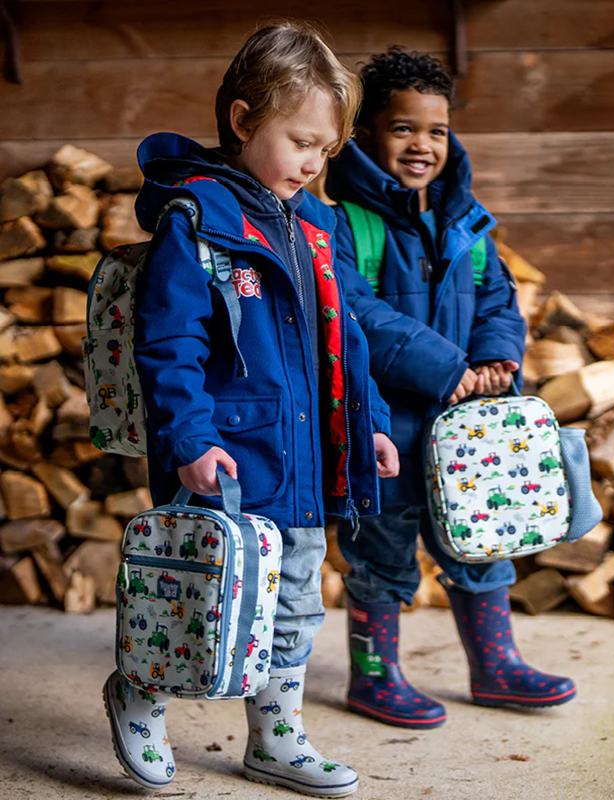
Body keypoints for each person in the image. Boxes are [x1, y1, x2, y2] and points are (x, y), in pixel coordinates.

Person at [102, 22, 399, 798]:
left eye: (325, 151)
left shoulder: (316, 224)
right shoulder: (197, 220)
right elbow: (168, 343)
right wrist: (190, 439)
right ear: (241, 121)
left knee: (296, 601)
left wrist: (366, 422)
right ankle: (140, 694)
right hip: (227, 456)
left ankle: (276, 739)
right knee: (193, 593)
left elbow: (347, 339)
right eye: (301, 140)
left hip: (303, 457)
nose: (312, 163)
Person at [326, 47, 576, 730]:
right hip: (387, 432)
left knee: (483, 539)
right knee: (380, 553)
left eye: (436, 131)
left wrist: (496, 357)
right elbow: (356, 313)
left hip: (469, 430)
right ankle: (374, 676)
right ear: (365, 134)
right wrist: (445, 365)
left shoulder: (465, 221)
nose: (422, 145)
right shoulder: (345, 222)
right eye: (403, 128)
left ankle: (495, 666)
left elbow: (498, 297)